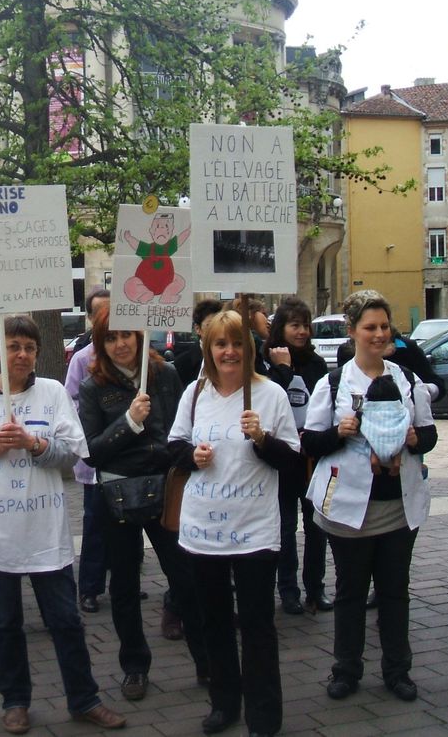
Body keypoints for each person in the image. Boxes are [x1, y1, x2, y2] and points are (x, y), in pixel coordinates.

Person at [0, 315, 127, 735]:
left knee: (65, 620)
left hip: (45, 530)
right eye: (14, 346)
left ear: (38, 353)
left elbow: (74, 453)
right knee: (5, 622)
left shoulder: (52, 392)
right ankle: (15, 700)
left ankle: (84, 698)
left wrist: (34, 443)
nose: (21, 355)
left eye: (29, 347)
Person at [167, 310, 300, 737]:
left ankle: (264, 712)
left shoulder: (271, 395)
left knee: (258, 624)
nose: (229, 352)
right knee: (214, 620)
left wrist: (262, 439)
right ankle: (224, 702)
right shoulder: (195, 393)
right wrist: (192, 456)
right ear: (208, 349)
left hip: (254, 530)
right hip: (203, 529)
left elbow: (293, 463)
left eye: (238, 343)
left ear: (250, 349)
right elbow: (174, 445)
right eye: (220, 344)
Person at [302, 290, 437, 703]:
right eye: (370, 328)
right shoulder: (334, 381)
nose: (379, 335)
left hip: (398, 506)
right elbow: (309, 441)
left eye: (384, 327)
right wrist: (337, 433)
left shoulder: (406, 378)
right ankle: (346, 669)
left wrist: (415, 439)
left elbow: (429, 434)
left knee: (395, 591)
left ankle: (397, 670)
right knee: (350, 591)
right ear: (352, 331)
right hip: (349, 508)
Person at [78, 306, 208, 701]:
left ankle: (207, 661)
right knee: (124, 584)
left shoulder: (164, 374)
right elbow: (91, 453)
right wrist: (129, 422)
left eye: (126, 336)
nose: (120, 345)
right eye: (111, 338)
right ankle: (134, 666)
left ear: (140, 336)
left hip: (164, 488)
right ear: (101, 344)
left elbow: (180, 429)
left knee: (185, 578)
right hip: (118, 496)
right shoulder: (93, 386)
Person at [263, 297, 332, 616]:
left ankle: (315, 588)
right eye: (295, 325)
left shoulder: (317, 364)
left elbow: (324, 406)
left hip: (312, 455)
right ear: (281, 328)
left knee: (317, 525)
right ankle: (287, 589)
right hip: (282, 457)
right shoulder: (266, 362)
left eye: (305, 325)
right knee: (285, 527)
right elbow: (267, 402)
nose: (302, 331)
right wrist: (283, 369)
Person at [64, 289, 111, 615]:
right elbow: (71, 403)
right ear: (92, 319)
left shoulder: (133, 354)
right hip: (96, 458)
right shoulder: (83, 359)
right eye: (102, 313)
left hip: (127, 461)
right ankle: (90, 588)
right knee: (95, 526)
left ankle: (126, 581)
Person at [173, 298, 225, 387]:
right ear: (198, 329)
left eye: (221, 324)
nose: (216, 329)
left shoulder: (233, 358)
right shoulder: (183, 363)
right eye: (210, 325)